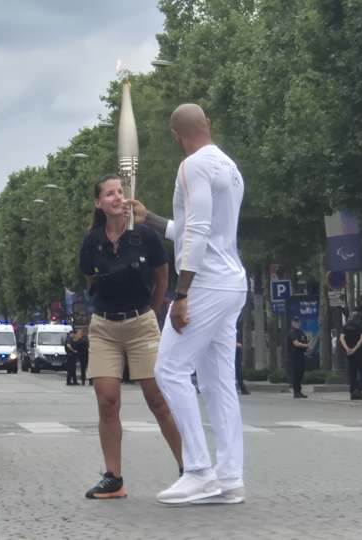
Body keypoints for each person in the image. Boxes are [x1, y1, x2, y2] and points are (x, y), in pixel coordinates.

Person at [131, 103, 248, 506]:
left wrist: (181, 294)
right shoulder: (229, 167)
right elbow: (197, 230)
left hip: (206, 284)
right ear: (208, 125)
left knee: (169, 368)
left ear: (175, 134)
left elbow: (197, 230)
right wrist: (150, 218)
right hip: (231, 280)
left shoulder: (192, 166)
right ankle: (230, 477)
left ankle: (198, 470)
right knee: (218, 383)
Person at [79, 173, 182, 500]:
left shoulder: (145, 236)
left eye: (120, 191)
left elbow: (163, 276)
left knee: (158, 400)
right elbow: (90, 281)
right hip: (104, 327)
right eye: (109, 193)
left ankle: (189, 468)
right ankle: (113, 478)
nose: (117, 197)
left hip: (141, 324)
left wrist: (153, 310)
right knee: (107, 400)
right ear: (98, 203)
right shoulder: (92, 241)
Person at [340, 313, 362, 400]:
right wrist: (354, 349)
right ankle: (358, 390)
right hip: (359, 352)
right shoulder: (360, 325)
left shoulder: (346, 326)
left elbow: (341, 338)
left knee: (352, 372)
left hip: (349, 353)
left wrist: (347, 349)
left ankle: (352, 393)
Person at [288, 316, 310, 399]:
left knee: (300, 373)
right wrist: (305, 345)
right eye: (295, 322)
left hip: (301, 355)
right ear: (292, 323)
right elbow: (296, 343)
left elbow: (305, 342)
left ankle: (299, 391)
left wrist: (307, 348)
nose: (297, 323)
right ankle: (296, 392)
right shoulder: (292, 332)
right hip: (294, 356)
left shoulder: (301, 332)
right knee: (296, 374)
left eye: (298, 322)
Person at [235, 321, 249, 395]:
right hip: (235, 348)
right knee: (237, 368)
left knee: (237, 368)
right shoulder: (237, 327)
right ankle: (241, 388)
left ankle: (241, 387)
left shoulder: (237, 328)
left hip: (235, 348)